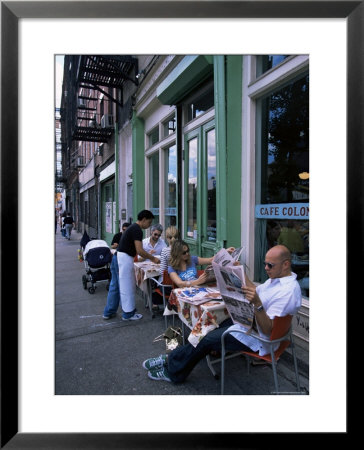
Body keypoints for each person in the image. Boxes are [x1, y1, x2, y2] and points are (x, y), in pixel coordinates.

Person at [142, 244, 302, 383]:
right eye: (265, 264)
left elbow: (269, 331)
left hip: (258, 337)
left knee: (205, 340)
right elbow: (254, 290)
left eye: (270, 265)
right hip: (249, 322)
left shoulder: (287, 291)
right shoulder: (275, 280)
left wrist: (258, 304)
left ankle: (174, 373)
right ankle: (172, 358)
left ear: (286, 264)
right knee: (205, 327)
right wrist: (238, 272)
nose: (266, 268)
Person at [102, 210, 160, 321]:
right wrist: (153, 258)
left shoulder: (132, 227)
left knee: (115, 286)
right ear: (144, 219)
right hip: (124, 259)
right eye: (149, 222)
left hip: (117, 257)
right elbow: (140, 250)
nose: (149, 225)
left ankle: (108, 312)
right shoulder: (137, 230)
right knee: (127, 286)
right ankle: (128, 313)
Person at [151, 226, 180, 309]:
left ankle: (154, 304)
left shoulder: (165, 250)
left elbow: (162, 271)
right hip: (180, 284)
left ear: (167, 237)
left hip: (167, 286)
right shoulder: (183, 249)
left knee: (152, 282)